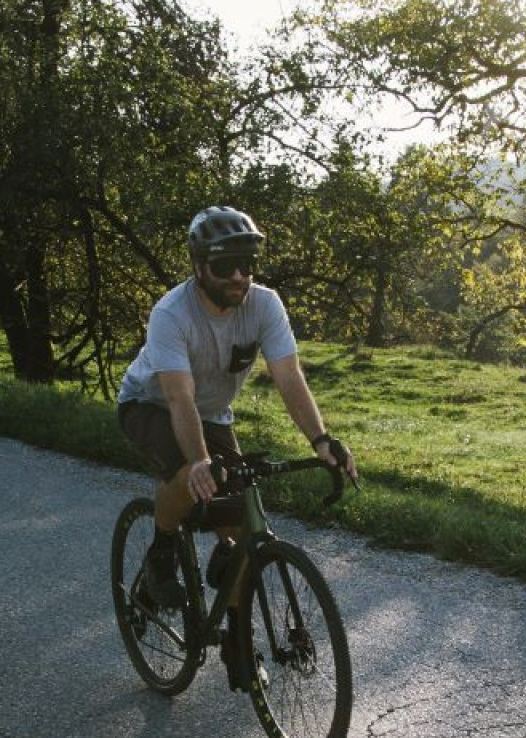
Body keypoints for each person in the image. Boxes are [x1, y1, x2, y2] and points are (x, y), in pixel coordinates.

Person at [117, 205, 356, 607]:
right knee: (187, 475)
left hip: (212, 412)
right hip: (150, 404)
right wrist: (197, 462)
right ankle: (161, 555)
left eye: (246, 265)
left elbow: (289, 376)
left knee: (243, 520)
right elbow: (179, 397)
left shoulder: (264, 304)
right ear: (198, 266)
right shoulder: (171, 314)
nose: (238, 276)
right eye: (225, 265)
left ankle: (236, 649)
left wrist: (320, 439)